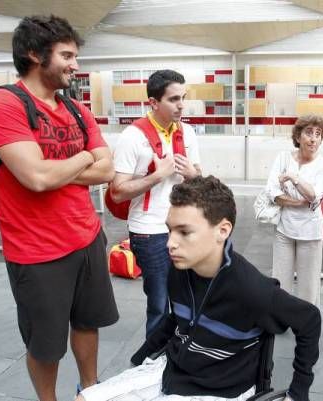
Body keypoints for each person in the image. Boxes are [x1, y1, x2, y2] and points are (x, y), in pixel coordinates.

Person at [0, 15, 118, 401]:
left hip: (86, 236)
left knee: (88, 323)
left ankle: (90, 390)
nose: (76, 65)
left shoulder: (75, 110)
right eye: (67, 55)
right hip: (36, 251)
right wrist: (82, 157)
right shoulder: (1, 104)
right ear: (35, 54)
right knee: (46, 344)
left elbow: (107, 169)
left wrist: (56, 169)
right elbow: (37, 179)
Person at [77, 175, 321, 401]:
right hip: (173, 369)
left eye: (184, 232)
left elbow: (309, 319)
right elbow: (176, 320)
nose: (171, 243)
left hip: (221, 388)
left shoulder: (251, 290)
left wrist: (298, 393)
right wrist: (139, 360)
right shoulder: (180, 269)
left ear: (222, 231)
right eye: (170, 230)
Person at [109, 69, 201, 365]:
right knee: (160, 303)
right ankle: (150, 363)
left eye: (183, 98)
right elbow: (118, 192)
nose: (181, 105)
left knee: (188, 300)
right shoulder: (133, 136)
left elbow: (198, 176)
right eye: (174, 99)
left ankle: (181, 357)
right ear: (153, 102)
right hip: (149, 231)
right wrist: (158, 175)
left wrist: (192, 174)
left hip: (185, 227)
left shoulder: (187, 132)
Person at [266, 114, 323, 306]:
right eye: (308, 132)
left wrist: (293, 178)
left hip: (310, 232)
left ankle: (306, 324)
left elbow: (314, 195)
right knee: (280, 281)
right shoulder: (283, 157)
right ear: (298, 136)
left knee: (308, 286)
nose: (313, 138)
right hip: (283, 230)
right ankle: (279, 319)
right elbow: (273, 192)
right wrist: (300, 202)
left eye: (318, 134)